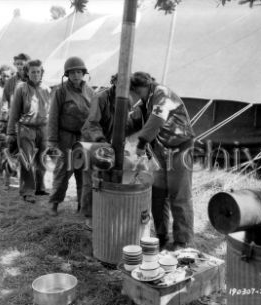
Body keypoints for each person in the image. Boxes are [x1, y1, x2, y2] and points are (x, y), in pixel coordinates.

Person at [127, 71, 195, 250]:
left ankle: (182, 240)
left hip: (180, 147)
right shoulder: (145, 101)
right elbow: (133, 123)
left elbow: (157, 119)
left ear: (144, 87)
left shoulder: (161, 94)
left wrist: (141, 142)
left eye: (136, 92)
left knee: (179, 195)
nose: (135, 96)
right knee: (158, 194)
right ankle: (162, 236)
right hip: (161, 150)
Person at [47, 56, 95, 216]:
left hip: (84, 139)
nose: (76, 75)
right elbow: (53, 117)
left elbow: (94, 116)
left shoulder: (90, 91)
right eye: (72, 72)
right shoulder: (60, 92)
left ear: (83, 73)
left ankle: (82, 206)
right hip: (65, 138)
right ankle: (54, 204)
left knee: (84, 174)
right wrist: (52, 141)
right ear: (67, 74)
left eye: (79, 72)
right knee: (62, 172)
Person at [7, 59, 50, 203]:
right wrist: (11, 133)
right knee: (27, 160)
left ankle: (40, 187)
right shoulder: (21, 88)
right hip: (26, 128)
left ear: (42, 72)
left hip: (43, 128)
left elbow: (50, 111)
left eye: (38, 71)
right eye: (33, 72)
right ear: (27, 73)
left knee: (42, 159)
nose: (36, 74)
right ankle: (27, 191)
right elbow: (14, 113)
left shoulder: (47, 89)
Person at [80, 74, 118, 223]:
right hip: (92, 140)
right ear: (113, 81)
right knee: (90, 179)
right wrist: (101, 140)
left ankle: (102, 212)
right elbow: (93, 124)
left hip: (107, 142)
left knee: (106, 177)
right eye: (120, 82)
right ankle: (88, 216)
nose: (125, 87)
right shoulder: (100, 98)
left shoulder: (127, 100)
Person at [0, 53, 30, 131]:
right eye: (17, 64)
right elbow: (5, 100)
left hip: (29, 119)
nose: (19, 66)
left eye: (22, 64)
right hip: (13, 118)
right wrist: (3, 117)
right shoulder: (10, 81)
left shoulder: (32, 80)